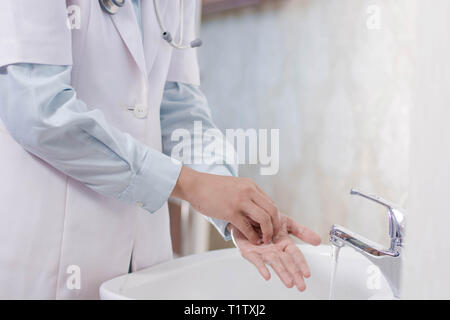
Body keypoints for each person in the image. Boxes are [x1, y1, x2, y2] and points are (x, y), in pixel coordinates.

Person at [0, 0, 321, 299]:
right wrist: (189, 184)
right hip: (49, 254)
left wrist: (232, 207)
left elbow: (179, 107)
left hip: (145, 259)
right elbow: (38, 109)